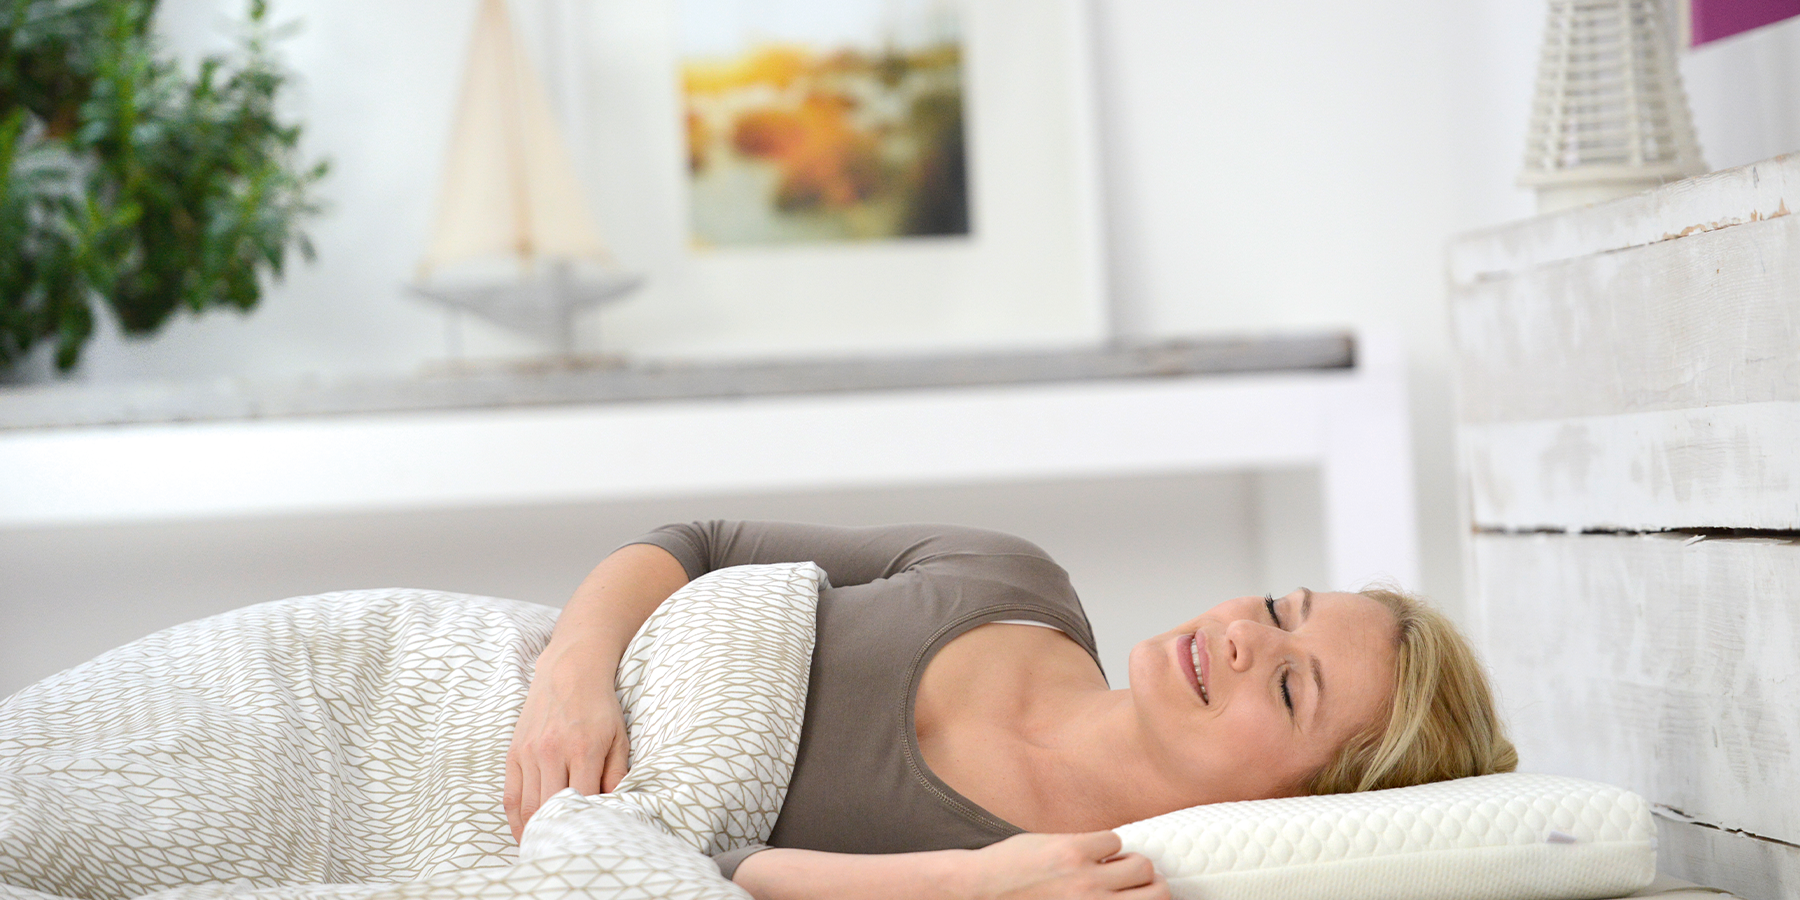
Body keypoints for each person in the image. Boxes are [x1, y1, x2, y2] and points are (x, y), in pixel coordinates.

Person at [505, 521, 1516, 900]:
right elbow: (701, 545)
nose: (1244, 635)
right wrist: (572, 673)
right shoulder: (1009, 577)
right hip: (460, 667)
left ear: (1306, 804)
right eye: (1277, 607)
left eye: (1292, 688)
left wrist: (964, 885)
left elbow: (700, 880)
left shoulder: (1046, 882)